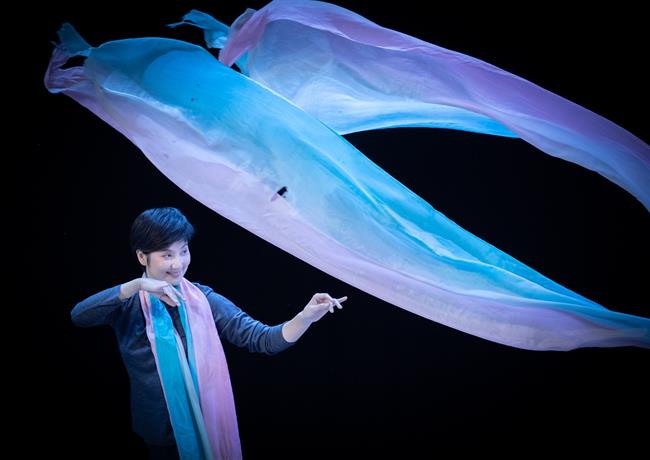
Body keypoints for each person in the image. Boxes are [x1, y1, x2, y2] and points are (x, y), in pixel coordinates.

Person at [71, 207, 347, 460]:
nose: (178, 263)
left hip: (210, 423)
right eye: (167, 255)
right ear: (142, 256)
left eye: (183, 251)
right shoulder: (127, 304)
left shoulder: (203, 299)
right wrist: (136, 286)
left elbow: (262, 340)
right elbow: (79, 316)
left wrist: (305, 317)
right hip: (159, 434)